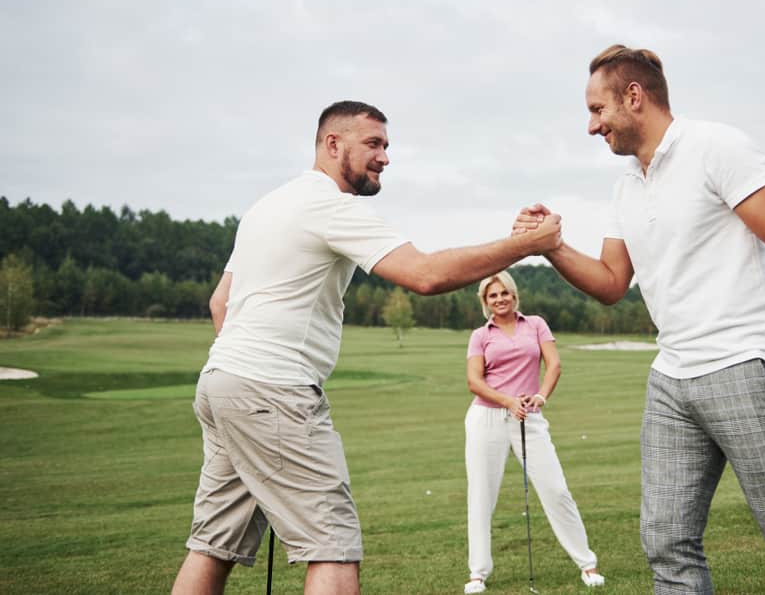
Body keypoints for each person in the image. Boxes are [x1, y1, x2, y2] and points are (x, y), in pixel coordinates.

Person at [171, 100, 562, 595]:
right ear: (333, 144)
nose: (385, 157)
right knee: (332, 544)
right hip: (274, 391)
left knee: (213, 544)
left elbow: (219, 303)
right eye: (373, 144)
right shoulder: (332, 206)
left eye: (387, 145)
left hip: (222, 383)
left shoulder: (266, 207)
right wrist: (526, 246)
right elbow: (425, 275)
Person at [514, 45, 765, 594]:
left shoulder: (717, 147)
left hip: (747, 367)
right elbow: (610, 282)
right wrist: (552, 247)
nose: (591, 125)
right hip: (672, 380)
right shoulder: (626, 184)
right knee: (667, 543)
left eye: (597, 110)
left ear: (634, 97)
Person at [463, 271, 605, 594]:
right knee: (482, 495)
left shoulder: (536, 324)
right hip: (487, 417)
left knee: (556, 489)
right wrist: (507, 401)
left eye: (504, 294)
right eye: (492, 296)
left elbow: (553, 364)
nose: (500, 299)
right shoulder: (480, 335)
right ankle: (478, 572)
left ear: (514, 296)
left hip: (530, 415)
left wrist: (540, 396)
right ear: (485, 302)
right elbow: (475, 381)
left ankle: (587, 564)